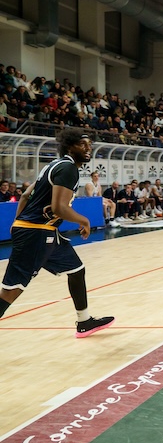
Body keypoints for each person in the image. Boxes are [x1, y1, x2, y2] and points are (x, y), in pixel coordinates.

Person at [0, 128, 114, 337]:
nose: (88, 149)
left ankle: (84, 321)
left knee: (76, 269)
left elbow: (26, 195)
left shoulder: (53, 166)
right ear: (70, 146)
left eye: (90, 145)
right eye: (83, 145)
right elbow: (59, 208)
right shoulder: (68, 168)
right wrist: (84, 220)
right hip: (36, 233)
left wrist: (17, 221)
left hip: (45, 231)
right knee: (12, 289)